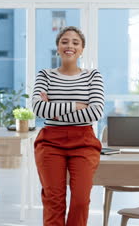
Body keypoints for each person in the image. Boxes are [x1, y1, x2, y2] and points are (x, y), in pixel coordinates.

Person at [32, 26, 104, 226]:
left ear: (82, 49)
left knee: (81, 199)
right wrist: (77, 105)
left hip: (84, 142)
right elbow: (39, 109)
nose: (69, 45)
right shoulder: (45, 75)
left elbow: (96, 112)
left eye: (75, 42)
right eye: (64, 41)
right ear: (57, 48)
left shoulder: (92, 76)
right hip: (50, 142)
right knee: (53, 199)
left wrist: (54, 107)